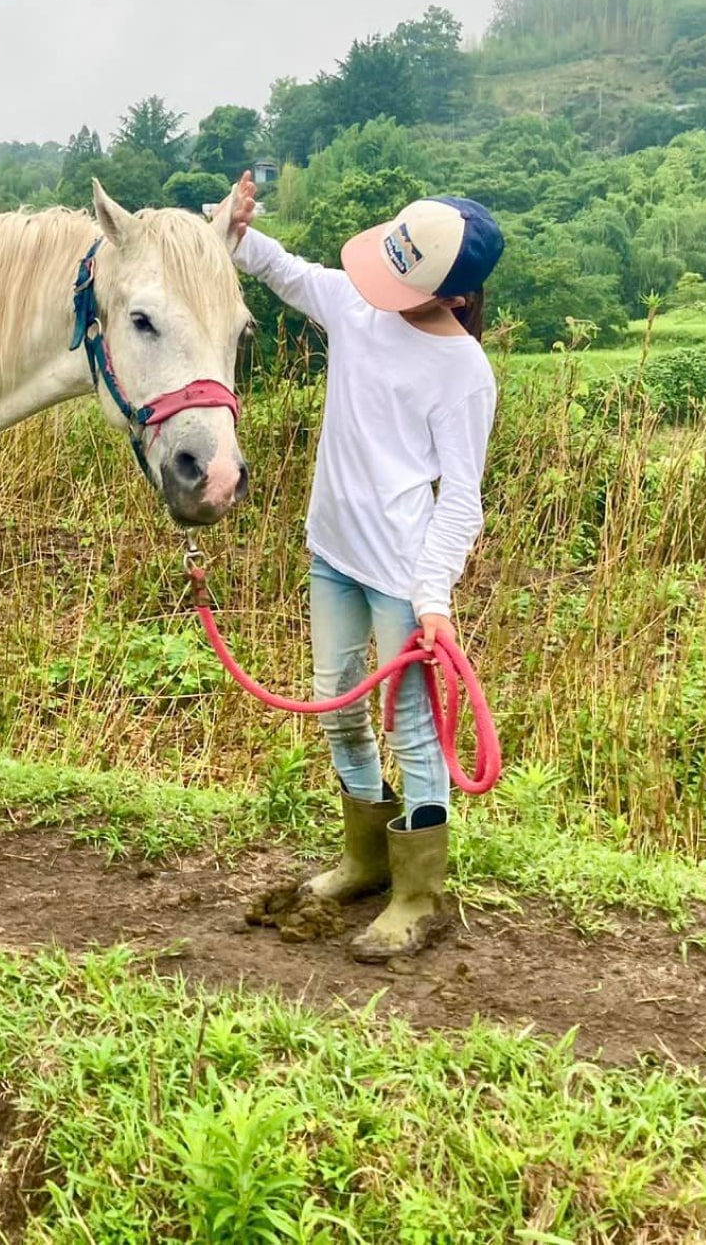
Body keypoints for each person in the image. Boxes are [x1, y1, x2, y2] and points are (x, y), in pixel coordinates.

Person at [223, 174, 504, 961]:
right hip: (332, 552)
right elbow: (284, 271)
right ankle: (364, 860)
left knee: (412, 730)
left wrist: (434, 595)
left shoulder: (463, 372)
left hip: (400, 575)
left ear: (455, 293)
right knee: (337, 708)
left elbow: (462, 499)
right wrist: (238, 231)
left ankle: (418, 894)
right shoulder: (355, 303)